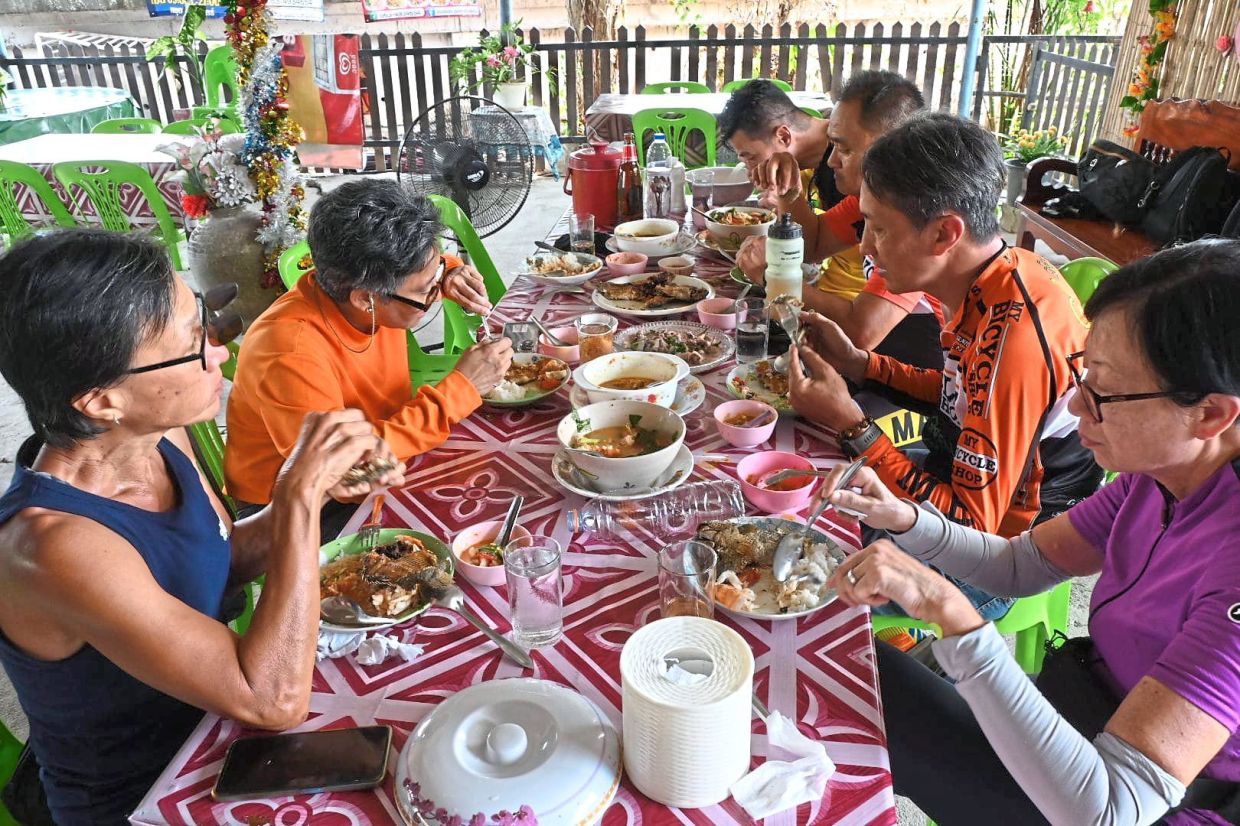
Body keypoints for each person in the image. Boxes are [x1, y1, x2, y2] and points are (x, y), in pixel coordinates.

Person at [818, 238, 1240, 824]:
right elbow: (1022, 566)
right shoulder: (1161, 475)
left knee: (853, 686)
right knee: (848, 669)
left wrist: (952, 614)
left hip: (1141, 802)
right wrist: (907, 520)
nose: (1074, 405)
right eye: (1083, 376)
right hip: (1085, 706)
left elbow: (1111, 808)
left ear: (1212, 414)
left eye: (1105, 393)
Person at [0, 230, 404, 825]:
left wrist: (317, 491)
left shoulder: (158, 434)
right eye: (194, 346)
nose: (220, 353)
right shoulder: (54, 546)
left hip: (226, 733)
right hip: (148, 793)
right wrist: (293, 496)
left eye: (206, 324)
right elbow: (272, 701)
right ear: (101, 401)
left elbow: (218, 557)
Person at [791, 114, 1101, 620]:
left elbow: (970, 528)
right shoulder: (989, 273)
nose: (865, 247)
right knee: (798, 496)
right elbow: (963, 394)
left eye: (880, 228)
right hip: (952, 468)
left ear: (944, 234)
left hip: (1003, 550)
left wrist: (851, 423)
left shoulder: (1016, 339)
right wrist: (861, 364)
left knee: (808, 587)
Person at [225, 181, 513, 535]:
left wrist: (449, 271)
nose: (435, 293)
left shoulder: (374, 293)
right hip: (303, 508)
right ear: (366, 300)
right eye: (428, 288)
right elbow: (350, 473)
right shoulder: (289, 351)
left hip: (383, 443)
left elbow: (413, 279)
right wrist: (459, 390)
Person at [737, 71, 940, 361]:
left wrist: (777, 281)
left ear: (891, 146)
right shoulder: (869, 198)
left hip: (916, 369)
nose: (831, 160)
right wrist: (788, 190)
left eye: (844, 148)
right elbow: (812, 246)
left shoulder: (919, 214)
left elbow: (862, 332)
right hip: (877, 357)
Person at [717, 79, 863, 300]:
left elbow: (811, 248)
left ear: (783, 136)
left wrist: (771, 277)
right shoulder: (803, 169)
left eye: (752, 157)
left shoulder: (850, 171)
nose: (750, 171)